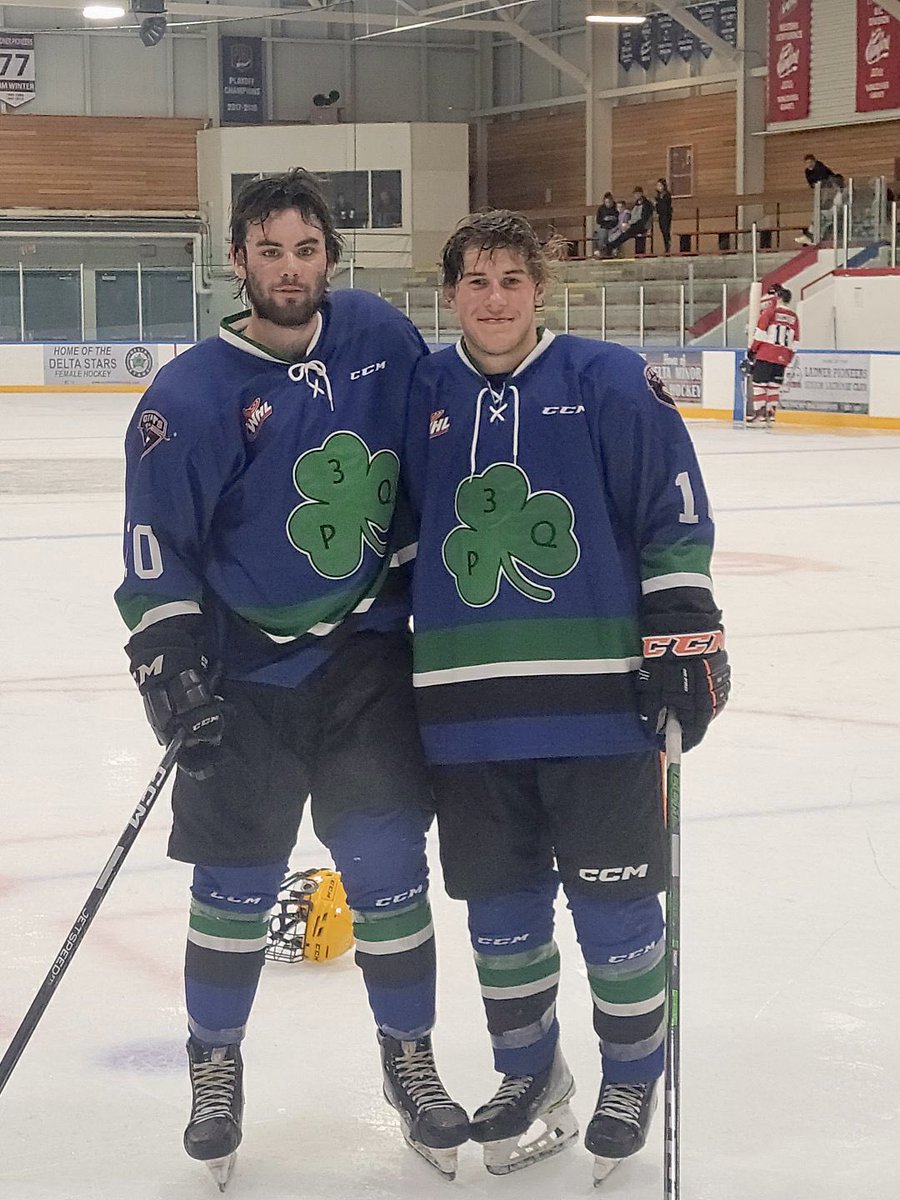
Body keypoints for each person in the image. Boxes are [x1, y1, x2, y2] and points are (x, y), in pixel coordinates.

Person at [114, 168, 468, 1189]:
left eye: (306, 251)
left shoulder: (378, 336)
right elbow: (155, 547)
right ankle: (214, 1065)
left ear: (329, 260)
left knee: (388, 868)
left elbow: (436, 444)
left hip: (366, 656)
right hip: (247, 672)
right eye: (269, 251)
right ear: (237, 260)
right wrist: (169, 663)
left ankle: (409, 1058)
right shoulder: (188, 397)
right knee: (234, 884)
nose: (288, 270)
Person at [403, 210, 730, 1184]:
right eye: (475, 281)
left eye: (511, 279)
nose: (494, 298)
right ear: (449, 294)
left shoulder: (608, 380)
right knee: (500, 916)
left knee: (616, 911)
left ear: (538, 289)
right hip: (466, 712)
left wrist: (684, 633)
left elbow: (674, 511)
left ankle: (631, 1077)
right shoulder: (423, 394)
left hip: (599, 707)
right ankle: (528, 1072)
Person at [741, 283, 800, 426]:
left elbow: (760, 333)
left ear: (778, 297)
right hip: (783, 357)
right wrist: (788, 358)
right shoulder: (794, 317)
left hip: (767, 353)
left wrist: (753, 350)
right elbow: (796, 341)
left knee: (759, 384)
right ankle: (771, 416)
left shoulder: (771, 312)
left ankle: (759, 416)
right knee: (774, 387)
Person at [797, 154, 842, 245]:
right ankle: (813, 236)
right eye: (807, 163)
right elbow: (811, 184)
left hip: (829, 203)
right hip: (823, 197)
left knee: (820, 217)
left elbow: (825, 182)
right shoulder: (808, 172)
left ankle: (813, 236)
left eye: (810, 162)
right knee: (818, 217)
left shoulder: (821, 169)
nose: (809, 165)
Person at [608, 186, 654, 255]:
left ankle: (612, 246)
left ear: (641, 193)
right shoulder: (636, 203)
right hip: (634, 224)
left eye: (638, 194)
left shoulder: (646, 204)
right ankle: (612, 246)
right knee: (624, 231)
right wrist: (628, 223)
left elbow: (643, 219)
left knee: (627, 232)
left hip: (642, 225)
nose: (636, 195)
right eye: (635, 194)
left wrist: (630, 225)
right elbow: (633, 216)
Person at [592, 192, 620, 258]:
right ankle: (601, 251)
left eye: (610, 202)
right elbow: (598, 221)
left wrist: (613, 218)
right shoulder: (601, 208)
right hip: (604, 227)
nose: (608, 204)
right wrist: (604, 219)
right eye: (606, 202)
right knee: (601, 235)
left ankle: (614, 251)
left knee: (614, 236)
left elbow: (619, 217)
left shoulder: (616, 207)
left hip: (614, 227)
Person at [654, 178, 673, 255]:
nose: (658, 187)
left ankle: (667, 246)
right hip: (661, 215)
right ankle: (666, 246)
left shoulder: (667, 195)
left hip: (666, 215)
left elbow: (665, 205)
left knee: (666, 230)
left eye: (660, 185)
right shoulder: (658, 196)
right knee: (663, 231)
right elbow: (658, 206)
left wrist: (658, 202)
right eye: (657, 185)